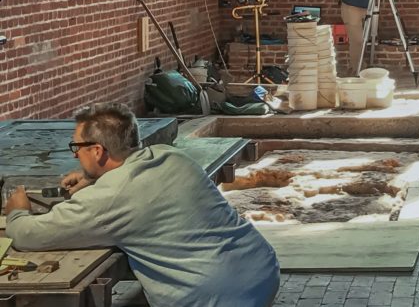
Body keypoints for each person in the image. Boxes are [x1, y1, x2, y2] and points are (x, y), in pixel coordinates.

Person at [3, 103, 280, 306]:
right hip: (260, 269)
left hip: (215, 297)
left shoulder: (109, 197)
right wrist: (96, 179)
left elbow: (30, 235)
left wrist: (17, 210)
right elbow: (136, 190)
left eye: (77, 148)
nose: (76, 156)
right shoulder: (169, 156)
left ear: (97, 151)